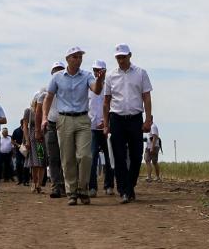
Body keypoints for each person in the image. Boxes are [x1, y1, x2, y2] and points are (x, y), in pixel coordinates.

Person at [41, 46, 104, 205]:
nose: (78, 59)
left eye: (80, 57)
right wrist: (44, 118)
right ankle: (72, 192)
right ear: (68, 59)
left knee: (85, 156)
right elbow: (48, 98)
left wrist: (100, 80)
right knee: (67, 158)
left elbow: (96, 90)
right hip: (64, 119)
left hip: (83, 119)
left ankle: (83, 189)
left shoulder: (87, 76)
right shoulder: (57, 77)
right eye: (75, 57)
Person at [102, 43, 153, 203]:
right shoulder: (110, 76)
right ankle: (124, 190)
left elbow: (146, 97)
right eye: (118, 57)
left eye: (123, 57)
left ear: (130, 55)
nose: (121, 60)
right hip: (117, 118)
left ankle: (130, 186)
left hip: (135, 118)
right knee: (119, 156)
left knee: (137, 155)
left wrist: (148, 119)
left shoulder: (141, 73)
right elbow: (106, 101)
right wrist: (106, 123)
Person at [34, 62, 67, 198]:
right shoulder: (45, 91)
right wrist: (37, 130)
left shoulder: (68, 89)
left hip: (66, 124)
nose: (58, 72)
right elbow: (38, 112)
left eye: (60, 70)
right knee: (53, 158)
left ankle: (66, 185)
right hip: (51, 125)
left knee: (66, 157)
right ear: (52, 73)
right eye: (55, 70)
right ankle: (55, 186)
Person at [87, 59, 113, 196]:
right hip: (92, 129)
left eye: (100, 70)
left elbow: (112, 107)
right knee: (92, 159)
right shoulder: (89, 88)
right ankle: (92, 187)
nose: (97, 73)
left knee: (109, 159)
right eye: (95, 70)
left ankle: (109, 185)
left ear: (104, 72)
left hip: (107, 129)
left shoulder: (110, 87)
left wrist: (107, 122)